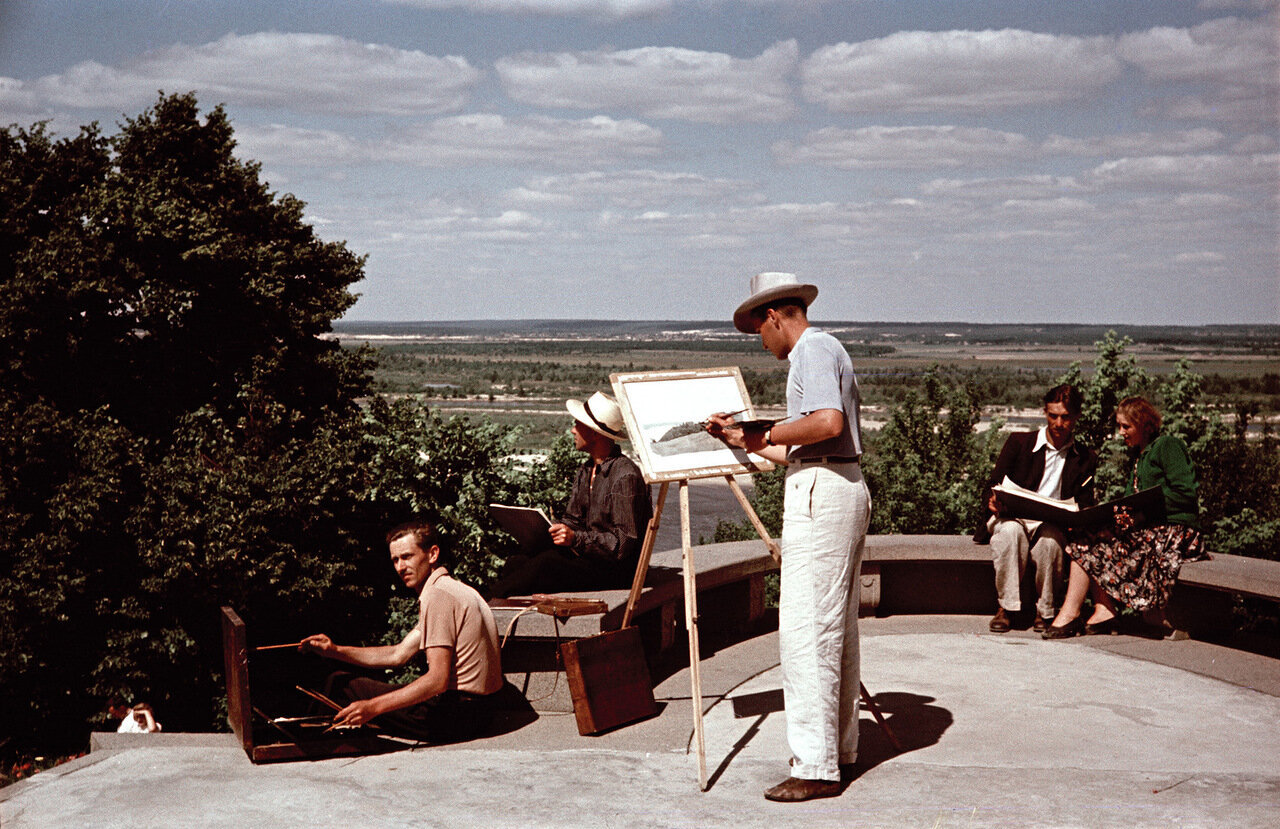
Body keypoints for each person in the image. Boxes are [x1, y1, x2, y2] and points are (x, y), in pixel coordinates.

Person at [707, 271, 870, 803]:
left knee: (805, 631)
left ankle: (816, 765)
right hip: (831, 481)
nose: (762, 342)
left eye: (760, 330)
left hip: (824, 492)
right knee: (832, 629)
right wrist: (742, 437)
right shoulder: (823, 352)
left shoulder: (813, 350)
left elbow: (825, 424)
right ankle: (837, 752)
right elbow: (803, 449)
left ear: (774, 316)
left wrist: (766, 429)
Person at [301, 520, 503, 742]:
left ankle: (307, 742)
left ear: (432, 554)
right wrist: (334, 650)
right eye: (395, 560)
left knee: (341, 683)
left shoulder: (438, 596)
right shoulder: (455, 589)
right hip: (482, 711)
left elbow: (437, 680)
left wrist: (371, 708)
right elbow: (399, 654)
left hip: (457, 717)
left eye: (407, 557)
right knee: (359, 684)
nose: (400, 567)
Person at [1044, 396, 1204, 639]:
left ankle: (1078, 612)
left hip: (1176, 532)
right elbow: (1131, 503)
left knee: (1097, 543)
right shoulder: (1139, 457)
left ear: (1144, 425)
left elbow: (1186, 493)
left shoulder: (1167, 446)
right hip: (1152, 529)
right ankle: (1097, 610)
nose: (1121, 433)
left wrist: (1145, 510)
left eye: (1126, 426)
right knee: (1088, 536)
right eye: (1119, 426)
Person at [485, 391, 653, 599]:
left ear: (594, 433)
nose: (573, 430)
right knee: (517, 562)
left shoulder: (625, 477)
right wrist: (546, 529)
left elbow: (622, 544)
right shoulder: (586, 469)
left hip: (615, 572)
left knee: (546, 565)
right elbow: (573, 520)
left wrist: (575, 539)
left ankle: (484, 602)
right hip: (590, 559)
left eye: (578, 424)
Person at [975, 384, 1098, 633]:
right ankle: (1006, 608)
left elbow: (1085, 503)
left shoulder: (1084, 457)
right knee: (1011, 534)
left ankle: (1046, 611)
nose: (1058, 423)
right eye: (1053, 416)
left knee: (1051, 543)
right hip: (1012, 517)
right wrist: (993, 500)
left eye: (1065, 417)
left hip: (1050, 524)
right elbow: (992, 484)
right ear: (1045, 413)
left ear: (1075, 418)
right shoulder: (1019, 443)